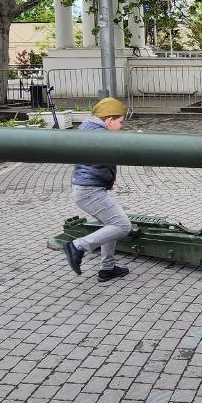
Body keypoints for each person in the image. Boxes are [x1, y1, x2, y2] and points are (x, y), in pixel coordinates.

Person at [61, 98, 133, 283]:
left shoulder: (87, 128)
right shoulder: (101, 134)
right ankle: (77, 246)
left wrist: (108, 181)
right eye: (120, 121)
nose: (120, 125)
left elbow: (101, 162)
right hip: (89, 190)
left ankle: (107, 268)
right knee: (122, 225)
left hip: (85, 188)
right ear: (109, 120)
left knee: (110, 224)